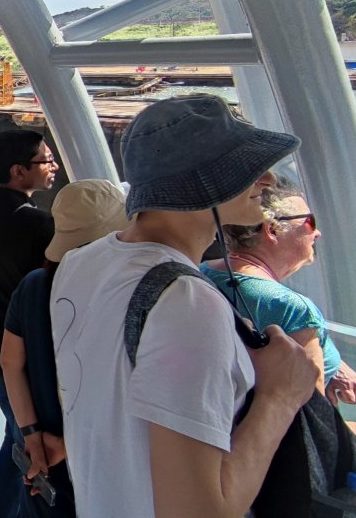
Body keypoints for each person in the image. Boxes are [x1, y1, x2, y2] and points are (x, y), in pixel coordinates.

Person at [50, 95, 317, 517]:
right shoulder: (188, 303)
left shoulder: (80, 263)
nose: (267, 179)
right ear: (202, 183)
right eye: (246, 168)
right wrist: (280, 397)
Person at [202, 182, 356, 446]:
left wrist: (332, 361)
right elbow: (316, 432)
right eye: (310, 222)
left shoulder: (203, 274)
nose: (318, 233)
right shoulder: (290, 308)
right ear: (273, 229)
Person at [2, 179, 130, 517]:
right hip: (93, 470)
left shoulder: (34, 284)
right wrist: (70, 446)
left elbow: (10, 363)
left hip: (42, 458)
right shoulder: (120, 299)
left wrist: (31, 435)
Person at [0, 129, 57, 518]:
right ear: (19, 171)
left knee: (16, 437)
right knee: (30, 448)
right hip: (27, 362)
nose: (54, 166)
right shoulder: (40, 225)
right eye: (45, 160)